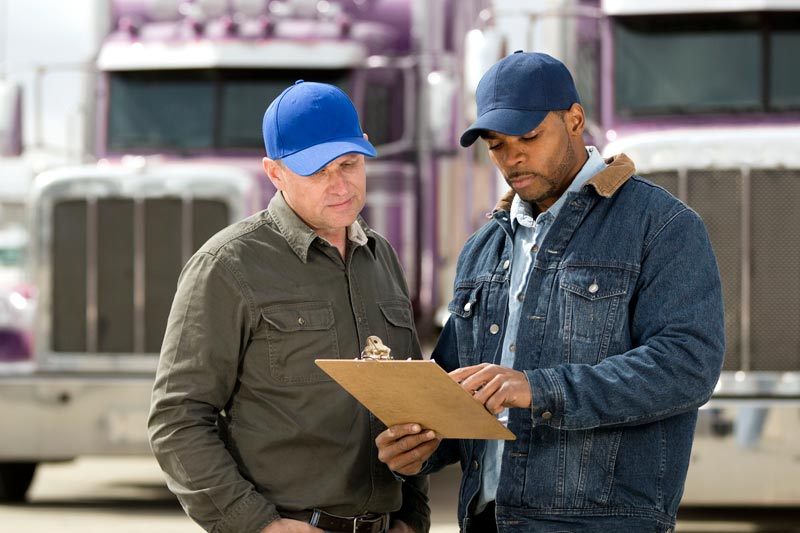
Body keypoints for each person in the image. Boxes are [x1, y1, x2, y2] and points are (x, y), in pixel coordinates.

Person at [375, 51, 725, 533]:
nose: (511, 157)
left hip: (602, 524)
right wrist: (418, 449)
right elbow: (458, 396)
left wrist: (540, 387)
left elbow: (687, 365)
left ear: (575, 120)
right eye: (496, 145)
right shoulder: (482, 248)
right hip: (487, 520)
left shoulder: (662, 226)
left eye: (529, 137)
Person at [148, 80, 429, 533]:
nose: (339, 185)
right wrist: (259, 526)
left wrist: (413, 518)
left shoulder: (382, 257)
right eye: (316, 172)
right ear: (274, 173)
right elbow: (177, 419)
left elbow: (410, 403)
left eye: (349, 164)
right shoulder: (227, 265)